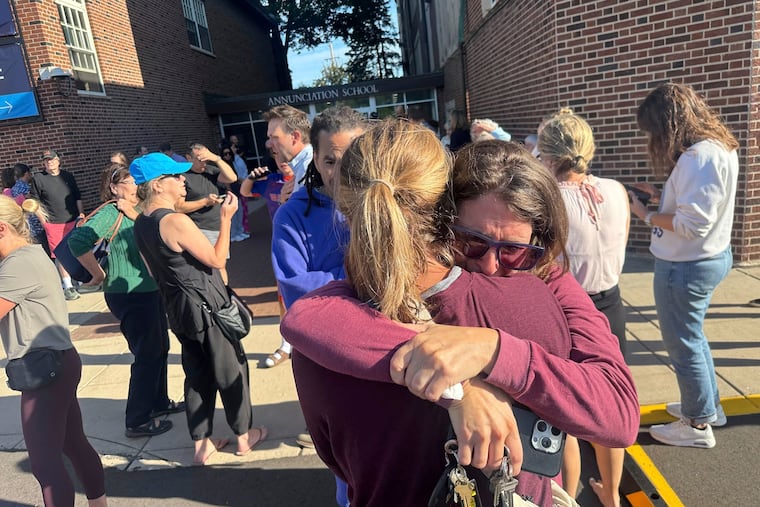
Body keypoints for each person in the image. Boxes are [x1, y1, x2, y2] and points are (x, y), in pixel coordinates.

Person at [281, 124, 638, 506]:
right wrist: (458, 388)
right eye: (471, 242)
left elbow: (337, 460)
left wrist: (492, 349)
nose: (489, 266)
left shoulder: (321, 344)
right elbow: (304, 319)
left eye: (516, 253)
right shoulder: (535, 302)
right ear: (443, 214)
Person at [131, 153, 266, 465]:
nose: (183, 180)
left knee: (197, 374)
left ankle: (202, 443)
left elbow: (154, 273)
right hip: (207, 306)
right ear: (156, 185)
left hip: (177, 309)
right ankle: (243, 436)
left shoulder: (141, 224)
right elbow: (217, 261)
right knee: (230, 368)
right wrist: (226, 218)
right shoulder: (175, 221)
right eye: (175, 176)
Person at [630, 82, 738, 448]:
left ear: (668, 124)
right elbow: (701, 207)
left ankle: (695, 426)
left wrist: (645, 214)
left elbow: (691, 226)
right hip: (705, 259)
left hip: (685, 266)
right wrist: (662, 197)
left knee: (684, 345)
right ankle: (705, 408)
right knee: (694, 340)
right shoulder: (719, 148)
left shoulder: (698, 158)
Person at [269, 106, 364, 505]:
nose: (341, 170)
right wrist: (361, 278)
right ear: (316, 158)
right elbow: (297, 292)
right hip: (330, 360)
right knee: (348, 460)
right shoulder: (294, 214)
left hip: (389, 355)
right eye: (330, 160)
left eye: (354, 157)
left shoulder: (386, 204)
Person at [537, 109, 630, 506]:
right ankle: (610, 495)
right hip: (611, 302)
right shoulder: (616, 189)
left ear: (549, 154)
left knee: (567, 415)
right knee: (608, 408)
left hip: (568, 308)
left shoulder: (551, 198)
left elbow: (545, 261)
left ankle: (567, 496)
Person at [0, 195, 107, 507]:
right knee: (73, 444)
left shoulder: (17, 266)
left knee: (44, 464)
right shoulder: (32, 255)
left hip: (44, 370)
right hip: (56, 363)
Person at [67, 163, 185, 438]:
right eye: (130, 182)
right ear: (114, 187)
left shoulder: (139, 209)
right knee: (146, 353)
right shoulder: (110, 212)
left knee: (160, 348)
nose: (135, 186)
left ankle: (158, 402)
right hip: (128, 292)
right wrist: (97, 274)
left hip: (149, 289)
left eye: (135, 181)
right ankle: (137, 419)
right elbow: (77, 242)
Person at [176, 143, 239, 284]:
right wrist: (204, 202)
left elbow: (232, 178)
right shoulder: (182, 177)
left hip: (218, 227)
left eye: (206, 158)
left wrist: (216, 159)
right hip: (198, 228)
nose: (204, 162)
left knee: (221, 265)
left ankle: (224, 294)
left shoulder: (211, 171)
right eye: (199, 158)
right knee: (206, 268)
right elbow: (178, 207)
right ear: (188, 158)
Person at [30, 149, 86, 301]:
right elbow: (34, 202)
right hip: (53, 222)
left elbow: (77, 196)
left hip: (73, 219)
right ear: (43, 163)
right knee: (59, 254)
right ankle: (68, 286)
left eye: (52, 159)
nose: (50, 162)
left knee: (76, 249)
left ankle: (79, 278)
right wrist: (43, 220)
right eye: (46, 160)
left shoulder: (67, 176)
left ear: (58, 160)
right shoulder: (39, 178)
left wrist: (81, 214)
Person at [263, 104, 313, 199]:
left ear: (295, 137)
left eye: (274, 137)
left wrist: (285, 204)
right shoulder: (305, 165)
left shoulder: (306, 169)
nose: (269, 144)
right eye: (269, 138)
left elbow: (308, 213)